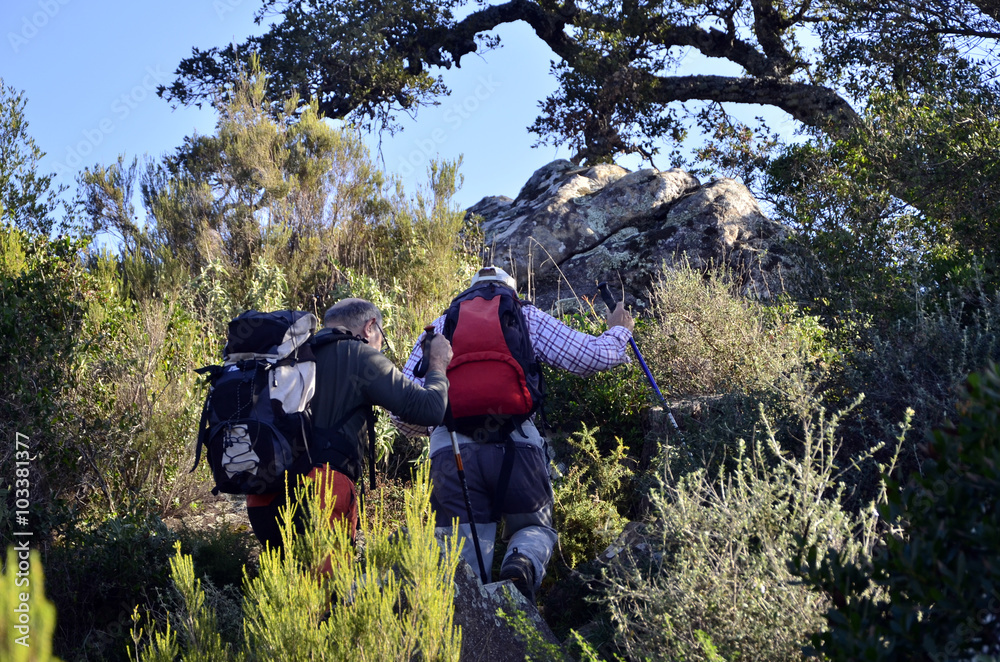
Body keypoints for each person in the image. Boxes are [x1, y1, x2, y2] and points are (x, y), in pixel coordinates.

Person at [395, 267, 634, 602]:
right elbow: (593, 356)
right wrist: (619, 330)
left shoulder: (438, 328)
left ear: (468, 292)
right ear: (510, 290)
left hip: (452, 450)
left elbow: (403, 411)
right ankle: (521, 564)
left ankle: (470, 618)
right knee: (534, 528)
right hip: (517, 445)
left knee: (461, 558)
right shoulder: (524, 316)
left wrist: (436, 428)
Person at [247, 297, 453, 554]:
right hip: (321, 493)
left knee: (287, 578)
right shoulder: (358, 354)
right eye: (382, 338)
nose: (380, 347)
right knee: (328, 581)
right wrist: (437, 362)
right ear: (370, 327)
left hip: (262, 497)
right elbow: (431, 409)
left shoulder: (292, 355)